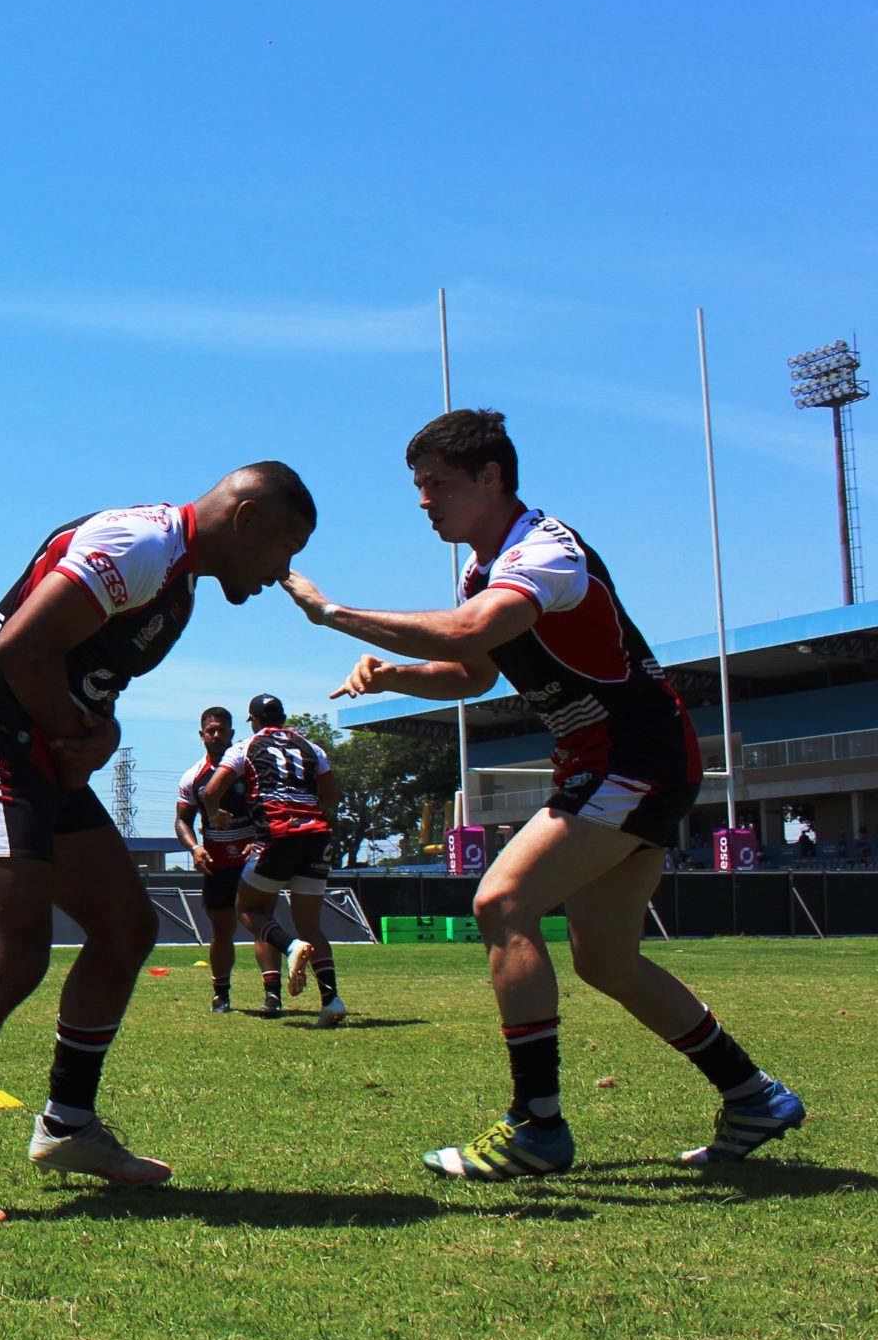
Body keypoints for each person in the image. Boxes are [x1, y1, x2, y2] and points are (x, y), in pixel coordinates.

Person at [286, 408, 804, 1176]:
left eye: (437, 484)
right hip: (613, 760)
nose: (423, 502)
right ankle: (752, 1092)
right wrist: (396, 674)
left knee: (501, 902)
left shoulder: (545, 552)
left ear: (492, 477)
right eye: (418, 487)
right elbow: (476, 670)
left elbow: (469, 632)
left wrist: (335, 615)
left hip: (634, 758)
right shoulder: (485, 566)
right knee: (608, 959)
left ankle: (537, 1126)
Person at [0, 466, 318, 1222]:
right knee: (10, 955)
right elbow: (22, 647)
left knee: (125, 926)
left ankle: (67, 1124)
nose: (282, 573)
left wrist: (99, 732)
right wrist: (83, 735)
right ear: (246, 517)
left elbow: (85, 683)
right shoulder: (142, 544)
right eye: (283, 548)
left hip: (33, 752)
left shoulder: (179, 582)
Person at [204, 693, 346, 1025]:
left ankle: (291, 946)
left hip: (279, 833)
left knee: (248, 909)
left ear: (252, 720)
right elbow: (332, 794)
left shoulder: (246, 746)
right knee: (312, 924)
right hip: (317, 833)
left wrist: (216, 814)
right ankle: (331, 1001)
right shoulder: (311, 747)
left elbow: (211, 792)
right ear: (283, 718)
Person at [173, 705, 258, 1013]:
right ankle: (221, 994)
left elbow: (268, 808)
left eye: (223, 730)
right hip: (218, 865)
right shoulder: (193, 776)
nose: (217, 735)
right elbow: (182, 821)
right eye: (211, 730)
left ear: (233, 734)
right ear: (202, 735)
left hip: (252, 861)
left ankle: (272, 994)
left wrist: (260, 840)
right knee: (222, 930)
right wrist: (195, 848)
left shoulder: (249, 768)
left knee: (261, 923)